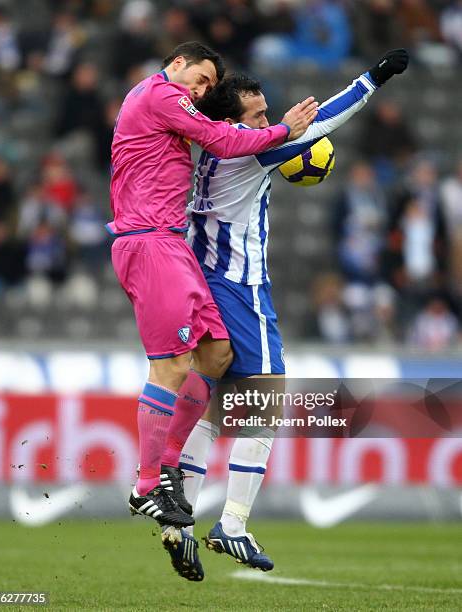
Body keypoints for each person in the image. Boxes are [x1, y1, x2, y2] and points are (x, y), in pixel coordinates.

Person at [163, 49, 409, 580]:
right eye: (258, 116)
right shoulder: (252, 152)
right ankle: (232, 522)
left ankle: (179, 526)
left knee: (210, 406)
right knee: (266, 400)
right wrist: (373, 77)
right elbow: (327, 117)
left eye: (268, 113)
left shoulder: (203, 139)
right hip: (240, 288)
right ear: (234, 123)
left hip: (199, 279)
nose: (269, 123)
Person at [107, 41, 318, 535]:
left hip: (170, 241)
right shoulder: (159, 93)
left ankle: (172, 464)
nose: (202, 90)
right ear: (177, 63)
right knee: (172, 365)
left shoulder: (165, 105)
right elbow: (222, 140)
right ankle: (147, 485)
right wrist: (286, 130)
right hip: (147, 241)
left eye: (207, 86)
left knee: (216, 353)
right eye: (200, 78)